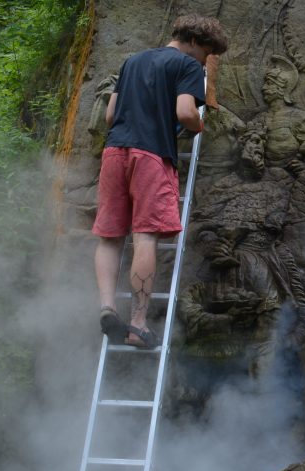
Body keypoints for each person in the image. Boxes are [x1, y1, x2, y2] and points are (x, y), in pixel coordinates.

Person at [93, 14, 228, 348]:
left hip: (114, 153)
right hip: (150, 157)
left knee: (110, 236)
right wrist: (199, 126)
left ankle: (107, 307)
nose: (205, 59)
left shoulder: (132, 61)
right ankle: (138, 324)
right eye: (207, 51)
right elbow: (185, 112)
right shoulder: (188, 67)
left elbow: (110, 116)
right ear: (196, 41)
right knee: (145, 237)